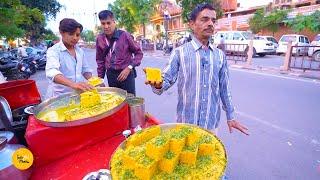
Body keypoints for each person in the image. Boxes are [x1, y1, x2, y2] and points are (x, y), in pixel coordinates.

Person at [145, 3, 249, 135]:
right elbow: (165, 81)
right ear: (192, 24)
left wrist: (231, 116)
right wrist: (158, 84)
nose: (210, 23)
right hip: (186, 125)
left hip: (210, 125)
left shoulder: (220, 55)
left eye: (213, 20)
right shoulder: (179, 53)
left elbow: (224, 89)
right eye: (205, 19)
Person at [96, 10, 143, 95]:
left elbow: (139, 53)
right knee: (116, 101)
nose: (106, 26)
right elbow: (100, 61)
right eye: (103, 23)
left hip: (126, 74)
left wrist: (129, 67)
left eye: (108, 23)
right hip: (111, 75)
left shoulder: (124, 35)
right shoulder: (100, 39)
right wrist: (100, 80)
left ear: (114, 22)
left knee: (130, 100)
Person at [45, 18, 94, 99]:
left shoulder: (80, 51)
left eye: (77, 35)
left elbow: (85, 70)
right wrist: (73, 84)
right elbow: (52, 72)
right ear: (62, 33)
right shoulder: (54, 51)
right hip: (60, 97)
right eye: (71, 34)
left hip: (79, 95)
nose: (75, 38)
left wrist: (94, 81)